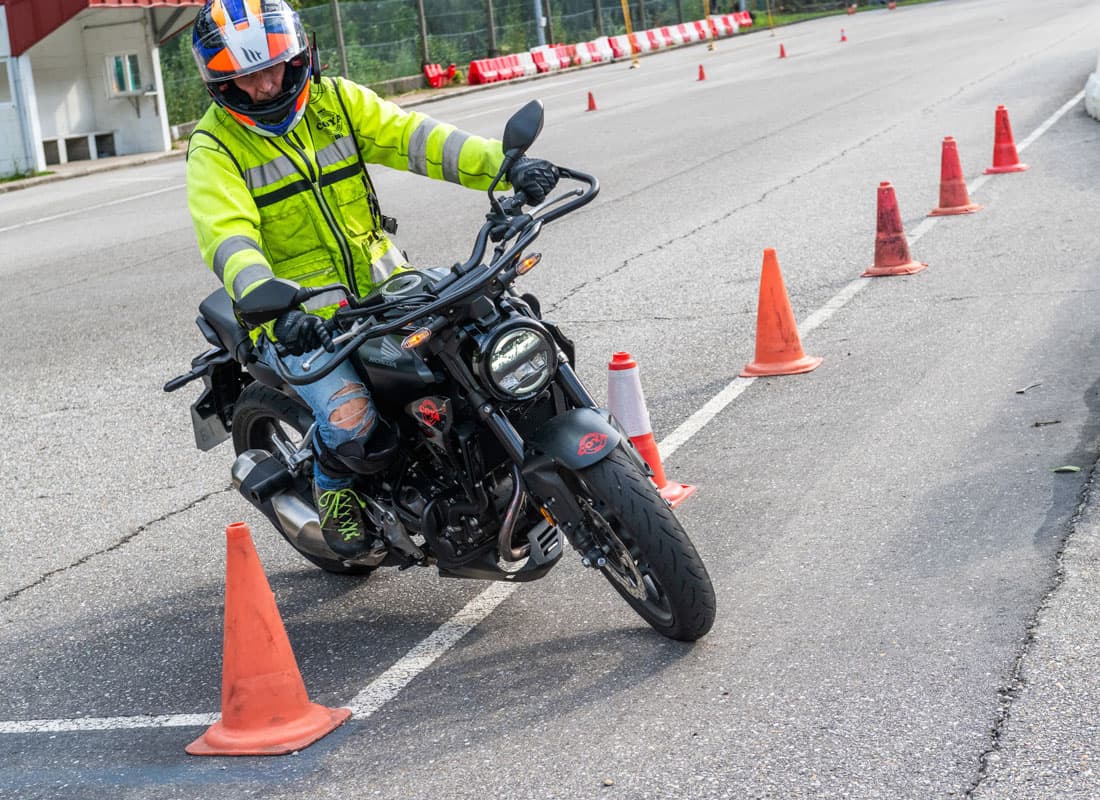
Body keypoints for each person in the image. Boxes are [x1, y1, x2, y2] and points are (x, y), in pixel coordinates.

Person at [186, 0, 559, 559]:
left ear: (299, 56)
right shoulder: (215, 148)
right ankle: (336, 499)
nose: (267, 84)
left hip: (387, 282)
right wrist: (276, 308)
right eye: (247, 76)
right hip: (298, 314)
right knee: (350, 417)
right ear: (223, 84)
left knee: (486, 329)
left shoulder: (335, 100)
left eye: (277, 66)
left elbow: (418, 138)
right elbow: (228, 237)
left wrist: (503, 165)